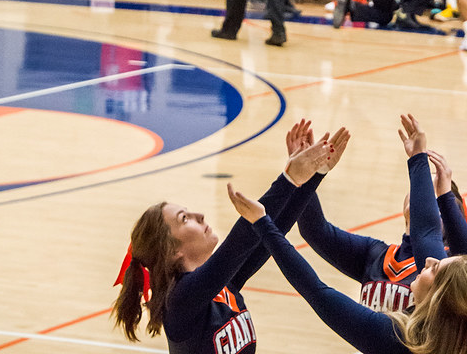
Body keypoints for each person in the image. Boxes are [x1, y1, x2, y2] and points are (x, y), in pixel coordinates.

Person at [227, 114, 467, 354]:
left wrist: (265, 222)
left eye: (435, 266)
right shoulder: (386, 260)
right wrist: (307, 175)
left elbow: (318, 292)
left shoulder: (401, 337)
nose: (430, 261)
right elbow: (316, 232)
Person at [112, 121, 349, 351]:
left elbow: (271, 228)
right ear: (173, 250)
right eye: (185, 218)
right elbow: (240, 240)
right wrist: (289, 179)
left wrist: (315, 173)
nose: (200, 215)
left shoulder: (224, 284)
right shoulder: (181, 300)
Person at [296, 143, 467, 313]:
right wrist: (304, 176)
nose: (421, 194)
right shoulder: (375, 254)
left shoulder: (450, 268)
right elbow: (314, 230)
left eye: (429, 192)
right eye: (419, 187)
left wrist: (446, 198)